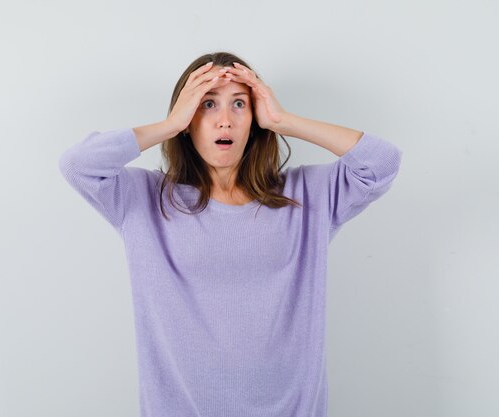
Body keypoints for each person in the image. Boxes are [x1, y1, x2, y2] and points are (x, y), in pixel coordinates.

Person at [58, 51, 402, 417]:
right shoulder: (144, 199)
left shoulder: (306, 196)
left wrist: (284, 121)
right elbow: (78, 165)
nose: (225, 120)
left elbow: (381, 163)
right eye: (207, 104)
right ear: (189, 120)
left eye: (239, 104)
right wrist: (169, 123)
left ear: (255, 119)